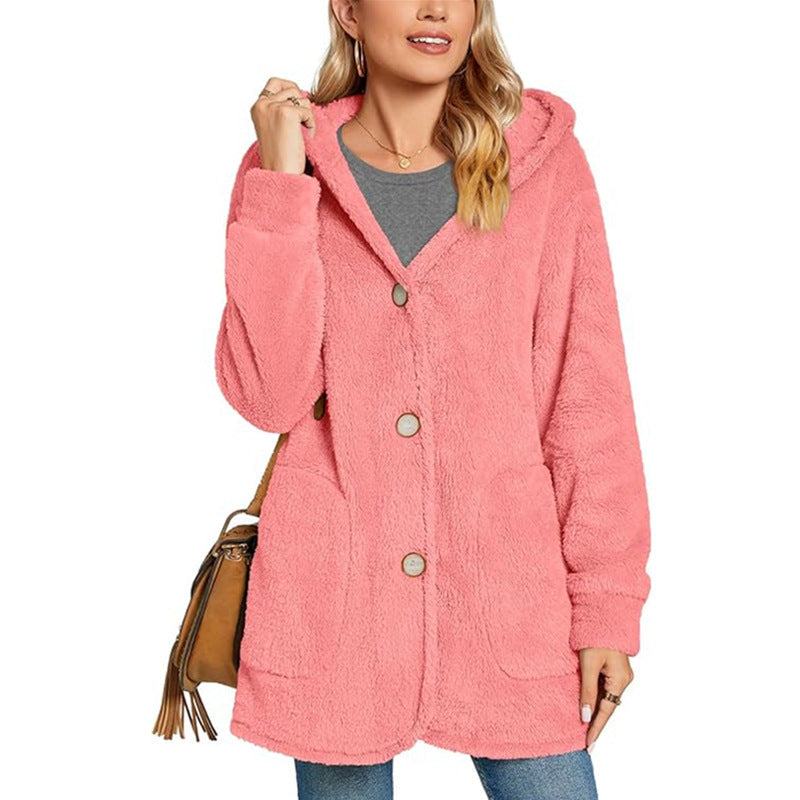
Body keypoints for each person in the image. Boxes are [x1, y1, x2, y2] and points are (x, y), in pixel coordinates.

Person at [214, 1, 652, 798]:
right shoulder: (289, 164)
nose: (436, 8)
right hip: (338, 596)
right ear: (347, 10)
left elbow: (586, 402)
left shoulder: (542, 164)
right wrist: (280, 182)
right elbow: (270, 396)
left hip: (509, 591)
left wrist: (606, 607)